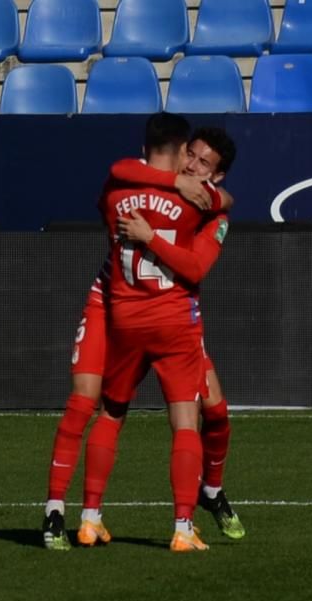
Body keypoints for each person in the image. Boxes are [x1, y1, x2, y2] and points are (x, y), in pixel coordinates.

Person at [41, 123, 242, 551]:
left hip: (137, 313)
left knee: (216, 412)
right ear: (180, 150)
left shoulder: (127, 185)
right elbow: (196, 261)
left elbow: (118, 176)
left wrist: (155, 227)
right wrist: (185, 192)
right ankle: (163, 521)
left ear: (217, 174)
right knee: (167, 414)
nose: (192, 165)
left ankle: (210, 491)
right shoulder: (203, 206)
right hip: (157, 315)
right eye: (191, 154)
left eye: (204, 163)